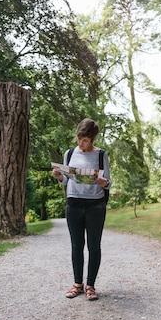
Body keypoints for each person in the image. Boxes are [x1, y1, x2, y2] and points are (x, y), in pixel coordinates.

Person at [52, 118, 111, 301]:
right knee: (77, 245)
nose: (81, 143)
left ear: (92, 139)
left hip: (95, 205)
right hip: (74, 204)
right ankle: (78, 284)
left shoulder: (101, 155)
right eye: (79, 139)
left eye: (85, 140)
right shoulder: (70, 154)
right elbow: (66, 181)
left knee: (94, 246)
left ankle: (91, 286)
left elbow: (108, 182)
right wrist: (59, 177)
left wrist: (104, 182)